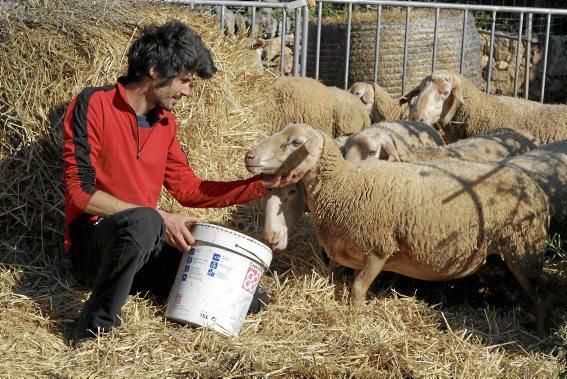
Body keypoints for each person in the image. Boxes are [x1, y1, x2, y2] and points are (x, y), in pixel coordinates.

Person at [62, 20, 299, 341]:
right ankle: (93, 329)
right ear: (155, 71)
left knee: (248, 298)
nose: (188, 91)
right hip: (94, 244)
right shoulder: (94, 104)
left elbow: (190, 190)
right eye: (185, 81)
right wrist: (160, 219)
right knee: (145, 221)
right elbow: (79, 193)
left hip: (143, 245)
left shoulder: (165, 123)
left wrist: (261, 185)